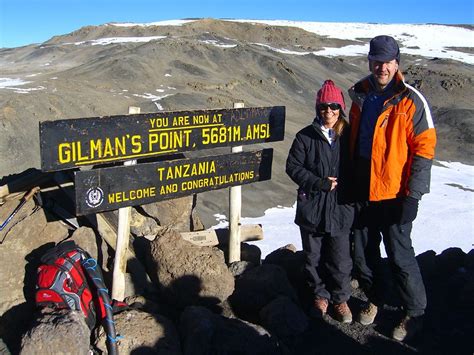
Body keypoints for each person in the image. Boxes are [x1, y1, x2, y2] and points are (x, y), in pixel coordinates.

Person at [348, 35, 437, 341]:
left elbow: (424, 150)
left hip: (394, 194)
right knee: (364, 252)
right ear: (369, 60)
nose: (381, 67)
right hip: (362, 191)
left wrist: (413, 194)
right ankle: (376, 296)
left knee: (399, 254)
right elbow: (356, 141)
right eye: (376, 60)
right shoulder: (361, 95)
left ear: (397, 63)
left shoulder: (411, 101)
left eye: (387, 61)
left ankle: (415, 312)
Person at [286, 80, 354, 323]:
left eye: (334, 106)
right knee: (313, 256)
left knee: (340, 257)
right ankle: (319, 295)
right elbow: (292, 167)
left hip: (341, 207)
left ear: (341, 107)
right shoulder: (305, 136)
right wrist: (318, 182)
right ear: (317, 108)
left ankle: (341, 298)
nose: (329, 111)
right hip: (313, 205)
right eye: (324, 106)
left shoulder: (349, 135)